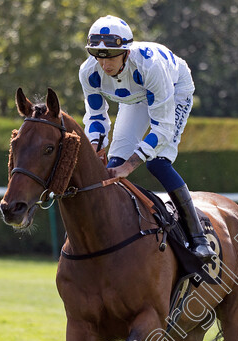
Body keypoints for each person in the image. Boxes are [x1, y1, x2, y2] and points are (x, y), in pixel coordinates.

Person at [78, 15, 213, 260]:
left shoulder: (150, 67)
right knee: (112, 167)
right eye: (98, 54)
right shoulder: (89, 72)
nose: (104, 63)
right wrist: (95, 147)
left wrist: (130, 166)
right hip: (134, 98)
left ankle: (198, 237)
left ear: (127, 52)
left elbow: (161, 129)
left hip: (173, 89)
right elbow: (96, 117)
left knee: (157, 162)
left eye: (111, 55)